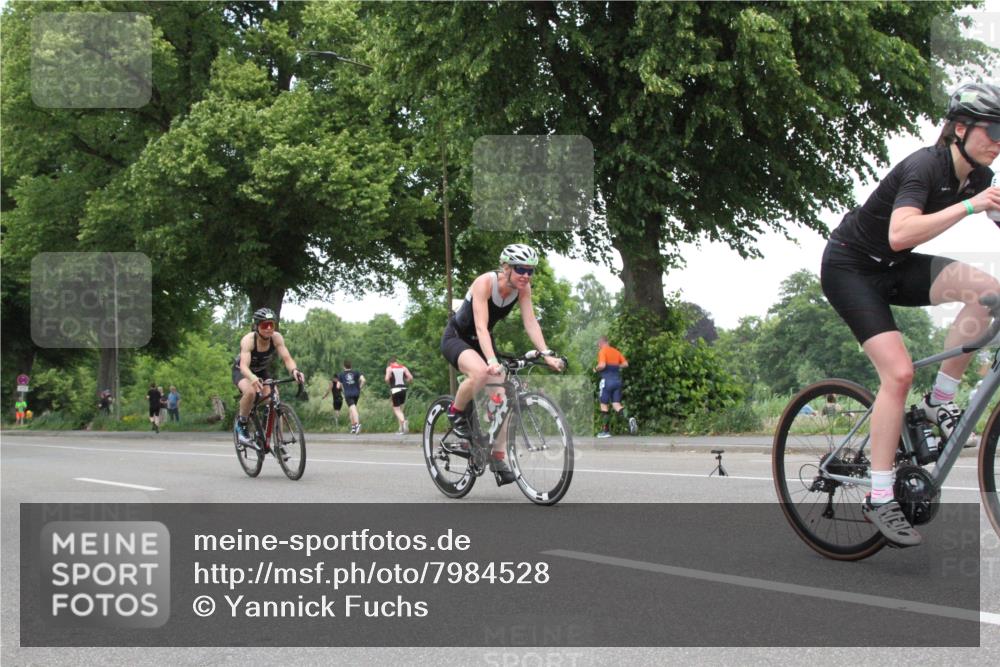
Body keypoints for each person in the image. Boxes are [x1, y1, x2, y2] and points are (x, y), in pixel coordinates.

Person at [820, 82, 1000, 547]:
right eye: (993, 130)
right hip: (850, 268)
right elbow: (900, 233)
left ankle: (942, 399)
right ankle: (880, 497)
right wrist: (969, 206)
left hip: (895, 268)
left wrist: (978, 201)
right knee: (897, 374)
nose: (999, 142)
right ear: (960, 128)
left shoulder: (979, 178)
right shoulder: (926, 165)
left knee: (987, 293)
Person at [440, 243, 564, 484]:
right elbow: (480, 326)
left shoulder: (523, 289)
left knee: (506, 395)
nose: (526, 276)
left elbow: (531, 322)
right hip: (458, 338)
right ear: (505, 267)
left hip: (482, 341)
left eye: (530, 271)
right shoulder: (484, 283)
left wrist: (547, 354)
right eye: (520, 269)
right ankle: (455, 412)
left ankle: (496, 456)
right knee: (480, 373)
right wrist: (492, 361)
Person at [232, 307, 306, 446]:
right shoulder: (248, 340)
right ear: (256, 326)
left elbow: (287, 359)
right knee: (251, 392)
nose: (268, 328)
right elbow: (243, 367)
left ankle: (278, 442)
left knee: (274, 397)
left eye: (271, 324)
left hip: (261, 371)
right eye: (264, 325)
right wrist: (252, 378)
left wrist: (295, 371)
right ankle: (241, 425)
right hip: (243, 371)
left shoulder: (276, 338)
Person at [594, 336, 638, 438]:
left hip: (607, 381)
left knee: (603, 404)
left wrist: (596, 369)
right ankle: (630, 419)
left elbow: (602, 365)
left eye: (598, 345)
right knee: (616, 404)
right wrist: (616, 366)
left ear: (601, 343)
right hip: (617, 381)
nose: (598, 347)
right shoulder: (616, 351)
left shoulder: (602, 351)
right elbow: (625, 364)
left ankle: (605, 431)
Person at [385, 356, 413, 434]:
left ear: (390, 363)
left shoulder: (389, 368)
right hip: (403, 389)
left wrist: (389, 380)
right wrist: (407, 381)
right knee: (400, 409)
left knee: (396, 409)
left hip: (395, 389)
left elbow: (386, 379)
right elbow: (410, 378)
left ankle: (404, 422)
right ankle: (401, 429)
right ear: (396, 362)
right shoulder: (403, 367)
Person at [336, 360, 365, 434]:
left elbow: (338, 386)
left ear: (343, 366)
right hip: (356, 393)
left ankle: (357, 425)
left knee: (353, 409)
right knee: (351, 409)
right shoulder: (356, 372)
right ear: (351, 366)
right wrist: (359, 388)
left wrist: (343, 389)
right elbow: (363, 380)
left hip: (348, 394)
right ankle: (353, 427)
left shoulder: (341, 374)